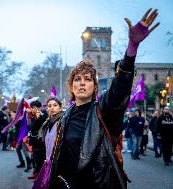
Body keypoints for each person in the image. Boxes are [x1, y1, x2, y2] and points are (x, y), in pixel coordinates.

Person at [48, 9, 159, 189]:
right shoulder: (65, 115)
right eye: (78, 79)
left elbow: (119, 90)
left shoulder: (103, 110)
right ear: (71, 87)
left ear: (95, 86)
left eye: (88, 79)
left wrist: (132, 48)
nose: (82, 83)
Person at [27, 100, 48, 179]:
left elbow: (35, 126)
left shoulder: (44, 114)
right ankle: (36, 172)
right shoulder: (34, 115)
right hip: (35, 140)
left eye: (32, 108)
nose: (31, 109)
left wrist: (38, 117)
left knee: (40, 159)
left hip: (40, 141)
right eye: (31, 108)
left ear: (36, 108)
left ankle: (40, 176)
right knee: (35, 157)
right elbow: (30, 126)